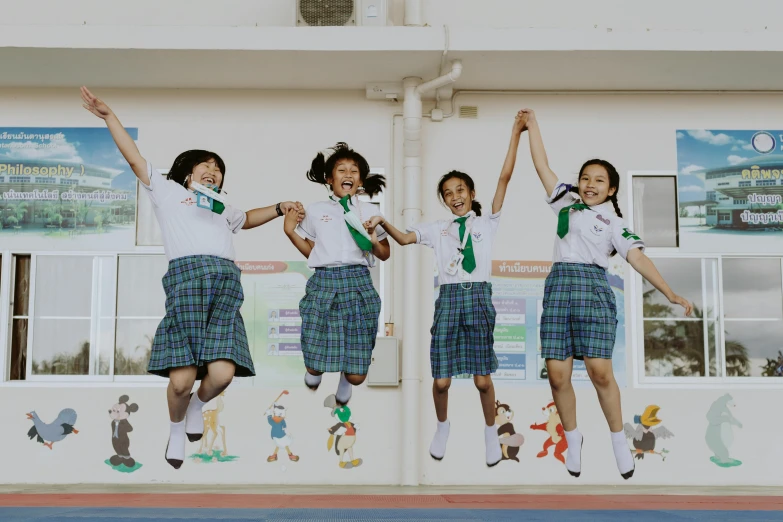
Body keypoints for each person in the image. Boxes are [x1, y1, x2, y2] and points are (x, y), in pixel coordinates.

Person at [80, 86, 304, 470]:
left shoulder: (221, 208)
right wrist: (108, 115)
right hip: (186, 286)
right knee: (181, 382)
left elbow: (246, 219)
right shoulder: (165, 191)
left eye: (218, 168)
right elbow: (134, 159)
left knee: (222, 374)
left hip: (224, 287)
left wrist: (280, 206)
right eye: (206, 165)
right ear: (187, 171)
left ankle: (198, 407)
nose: (213, 170)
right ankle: (176, 428)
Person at [522, 108, 692, 479]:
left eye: (599, 180)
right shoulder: (565, 204)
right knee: (557, 375)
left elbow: (637, 258)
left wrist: (670, 293)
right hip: (558, 287)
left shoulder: (615, 223)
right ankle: (573, 438)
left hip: (593, 288)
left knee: (600, 372)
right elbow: (542, 167)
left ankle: (618, 440)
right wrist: (531, 126)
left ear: (611, 188)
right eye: (585, 178)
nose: (590, 184)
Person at [364, 111, 528, 467]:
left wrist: (516, 132)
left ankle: (489, 433)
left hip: (479, 297)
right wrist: (382, 222)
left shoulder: (487, 224)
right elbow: (406, 238)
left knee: (484, 382)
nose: (455, 196)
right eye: (447, 193)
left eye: (460, 190)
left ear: (471, 193)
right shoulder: (438, 229)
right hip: (450, 300)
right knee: (441, 382)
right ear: (443, 200)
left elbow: (505, 176)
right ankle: (442, 426)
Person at [283, 142, 389, 405]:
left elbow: (384, 253)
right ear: (330, 179)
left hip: (358, 282)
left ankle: (345, 378)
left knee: (356, 376)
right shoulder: (316, 210)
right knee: (314, 364)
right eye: (341, 170)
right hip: (324, 281)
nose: (348, 174)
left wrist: (375, 237)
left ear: (361, 180)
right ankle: (314, 372)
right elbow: (312, 251)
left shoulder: (372, 211)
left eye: (354, 171)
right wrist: (290, 231)